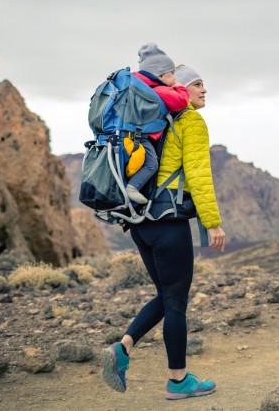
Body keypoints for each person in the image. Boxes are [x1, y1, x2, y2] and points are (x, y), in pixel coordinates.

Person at [101, 64, 226, 400]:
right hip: (169, 224)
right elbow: (199, 177)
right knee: (176, 302)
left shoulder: (153, 124)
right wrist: (212, 223)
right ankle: (178, 380)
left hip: (141, 223)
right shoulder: (190, 122)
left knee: (166, 295)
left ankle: (123, 348)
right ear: (182, 90)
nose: (204, 90)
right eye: (198, 84)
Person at [125, 43, 190, 205]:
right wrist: (180, 87)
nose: (174, 78)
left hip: (130, 135)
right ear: (160, 76)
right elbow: (182, 102)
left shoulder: (138, 86)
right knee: (152, 165)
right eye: (171, 75)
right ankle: (132, 188)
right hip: (142, 137)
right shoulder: (159, 89)